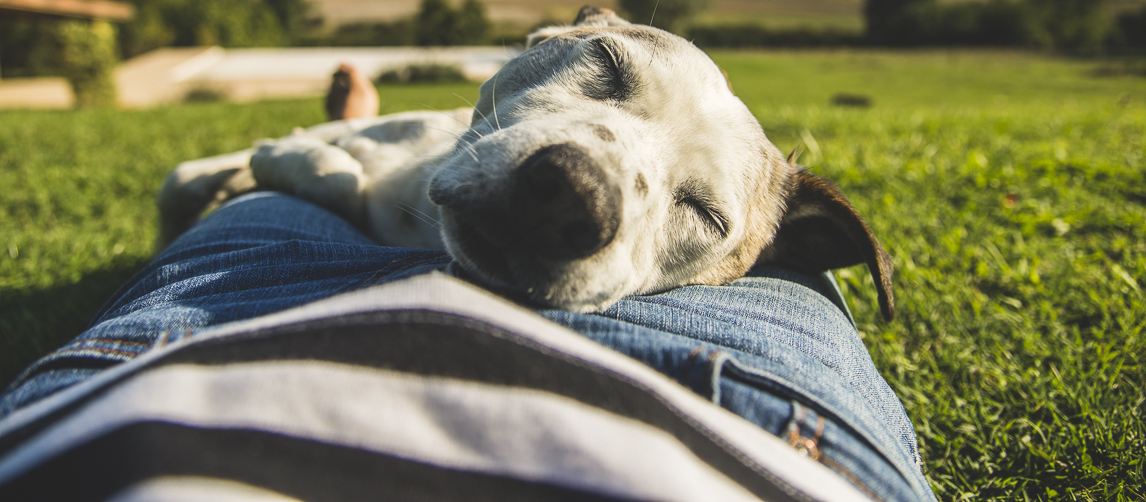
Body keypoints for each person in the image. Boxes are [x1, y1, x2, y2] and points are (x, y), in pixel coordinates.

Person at [0, 67, 937, 501]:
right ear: (551, 39)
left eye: (699, 210)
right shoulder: (752, 258)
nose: (581, 184)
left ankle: (350, 133)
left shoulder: (764, 230)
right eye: (605, 74)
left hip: (183, 360)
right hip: (744, 414)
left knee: (272, 201)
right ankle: (365, 132)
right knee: (796, 294)